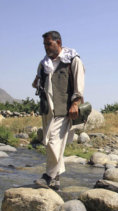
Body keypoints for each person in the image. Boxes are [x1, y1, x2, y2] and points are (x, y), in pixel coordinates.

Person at [32, 31, 85, 190]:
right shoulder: (44, 64)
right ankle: (56, 180)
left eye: (49, 44)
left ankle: (48, 176)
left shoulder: (72, 60)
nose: (46, 47)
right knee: (52, 144)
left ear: (59, 42)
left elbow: (79, 83)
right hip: (47, 110)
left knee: (53, 141)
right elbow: (36, 82)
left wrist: (75, 103)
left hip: (64, 109)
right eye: (44, 45)